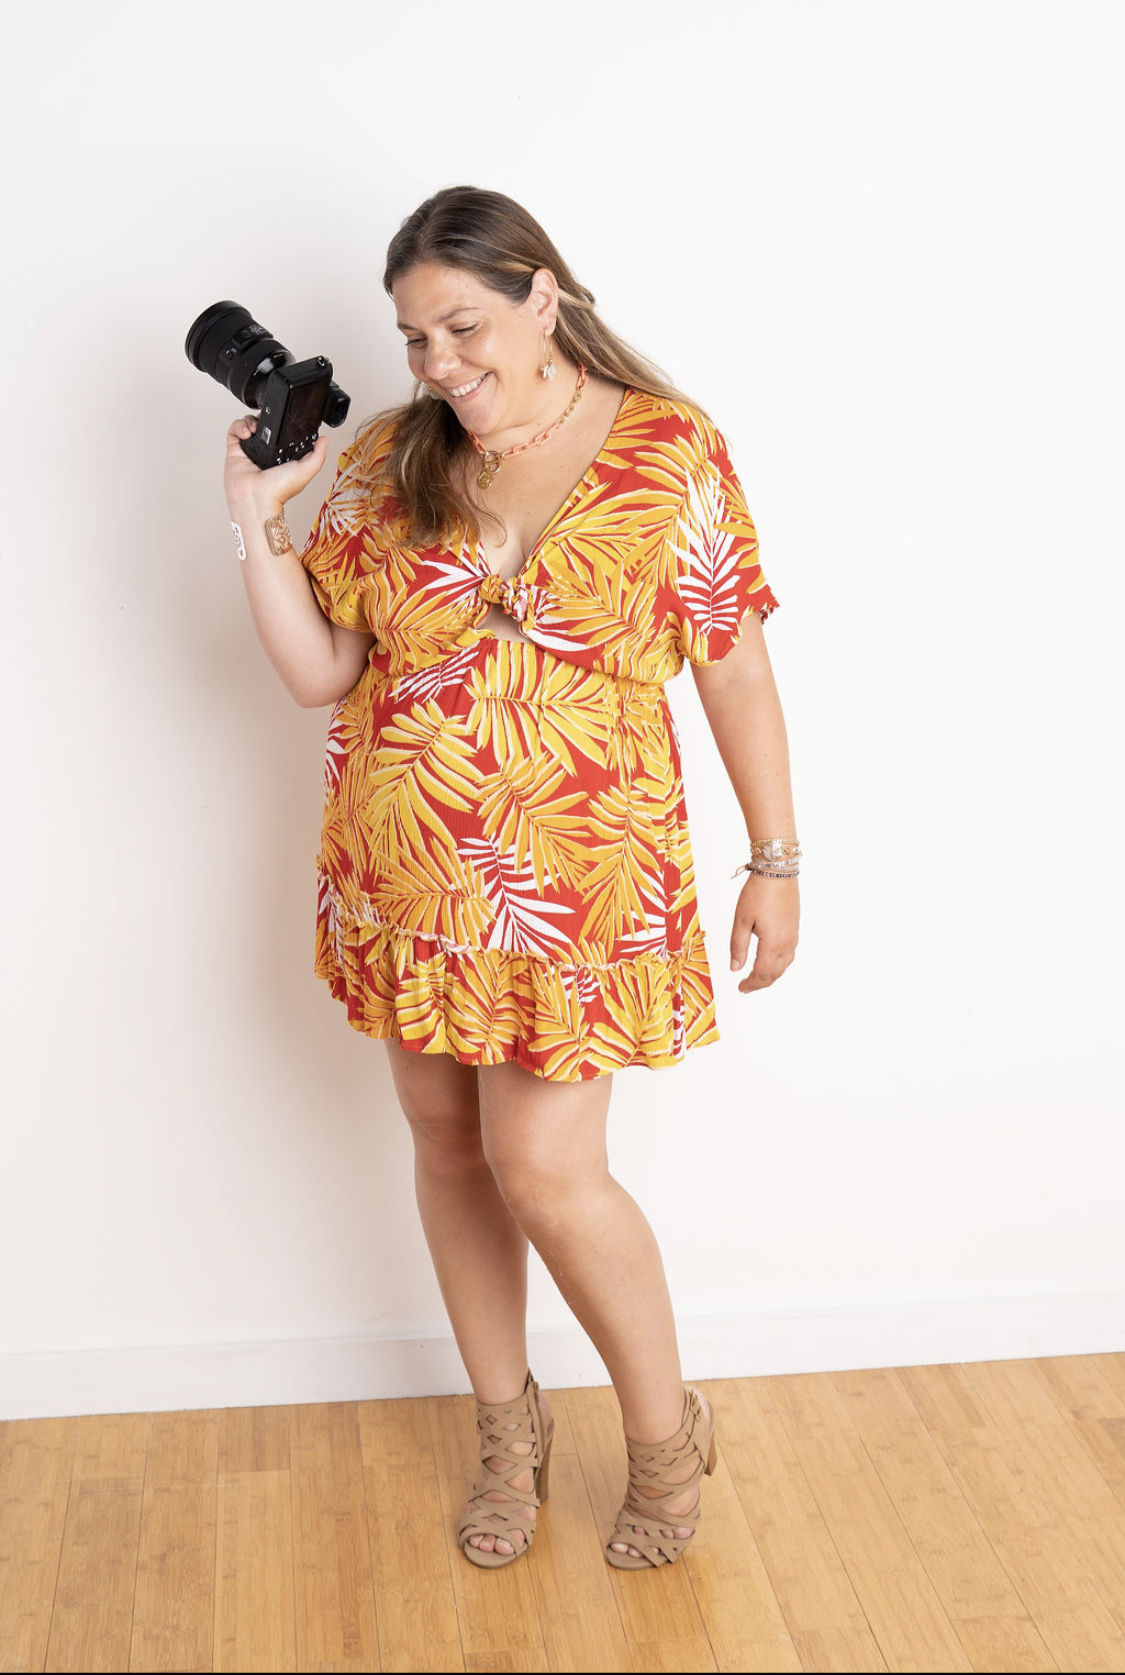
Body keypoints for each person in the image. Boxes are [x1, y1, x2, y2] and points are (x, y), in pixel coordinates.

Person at [221, 186, 800, 1571]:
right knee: (446, 1148)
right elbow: (320, 674)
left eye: (462, 327)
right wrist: (256, 519)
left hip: (577, 888)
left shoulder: (670, 454)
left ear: (542, 294)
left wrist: (773, 857)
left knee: (548, 1172)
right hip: (408, 873)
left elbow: (730, 663)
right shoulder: (382, 462)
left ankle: (665, 1438)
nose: (437, 366)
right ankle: (505, 1431)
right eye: (413, 338)